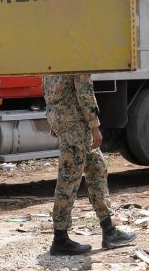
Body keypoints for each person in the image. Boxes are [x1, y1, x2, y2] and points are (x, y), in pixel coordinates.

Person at [41, 72, 137, 255]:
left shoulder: (53, 57)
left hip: (69, 122)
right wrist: (95, 127)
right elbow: (85, 93)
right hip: (76, 125)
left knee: (97, 169)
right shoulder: (78, 55)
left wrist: (54, 120)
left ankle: (109, 231)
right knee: (68, 180)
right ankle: (60, 239)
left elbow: (48, 90)